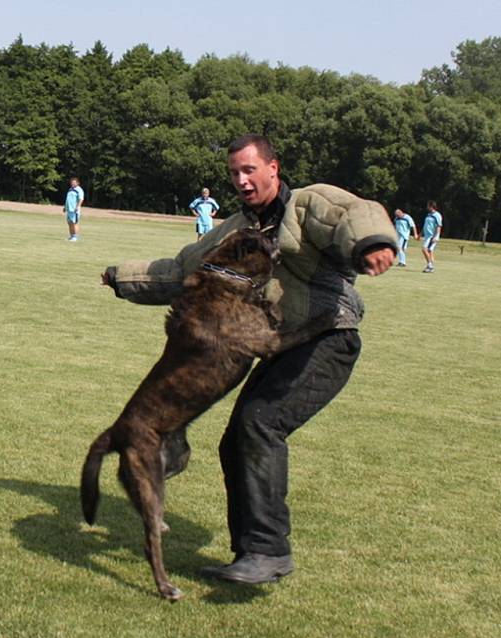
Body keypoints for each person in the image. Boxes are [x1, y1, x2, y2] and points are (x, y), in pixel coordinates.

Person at [101, 134, 397, 585]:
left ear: (273, 168)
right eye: (234, 173)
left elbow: (355, 212)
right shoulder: (236, 231)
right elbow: (185, 272)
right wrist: (121, 278)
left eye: (249, 170)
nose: (241, 180)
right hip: (282, 346)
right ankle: (251, 554)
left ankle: (268, 552)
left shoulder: (307, 204)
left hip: (329, 338)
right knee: (237, 437)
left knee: (259, 423)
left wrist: (374, 242)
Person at [421, 200, 443, 273]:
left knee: (424, 249)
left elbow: (439, 226)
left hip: (432, 236)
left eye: (428, 205)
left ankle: (430, 266)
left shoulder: (437, 215)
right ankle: (431, 267)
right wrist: (420, 234)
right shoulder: (428, 215)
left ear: (431, 206)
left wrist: (436, 236)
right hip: (427, 236)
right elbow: (425, 226)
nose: (427, 207)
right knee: (430, 252)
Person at [64, 177, 84, 241]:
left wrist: (77, 207)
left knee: (74, 223)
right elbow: (68, 199)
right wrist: (65, 207)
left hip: (74, 210)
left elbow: (81, 199)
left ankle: (75, 237)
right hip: (69, 209)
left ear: (78, 183)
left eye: (74, 182)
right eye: (72, 182)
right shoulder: (70, 189)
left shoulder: (79, 190)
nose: (73, 183)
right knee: (69, 223)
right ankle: (71, 236)